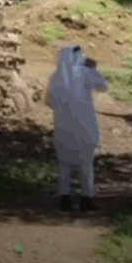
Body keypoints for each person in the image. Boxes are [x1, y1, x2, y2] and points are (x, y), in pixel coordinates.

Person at [46, 45, 109, 212]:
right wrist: (94, 69)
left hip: (63, 127)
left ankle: (64, 199)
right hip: (85, 127)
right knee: (86, 164)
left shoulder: (56, 77)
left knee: (63, 164)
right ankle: (86, 199)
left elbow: (48, 101)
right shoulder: (86, 73)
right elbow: (103, 86)